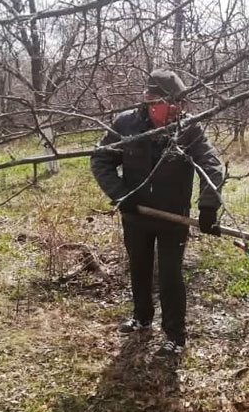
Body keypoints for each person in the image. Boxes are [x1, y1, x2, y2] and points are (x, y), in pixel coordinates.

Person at [90, 69, 224, 357]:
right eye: (172, 103)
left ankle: (175, 336)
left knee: (170, 276)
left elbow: (211, 165)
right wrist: (120, 194)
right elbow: (101, 160)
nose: (178, 109)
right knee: (139, 267)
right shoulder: (126, 124)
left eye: (181, 103)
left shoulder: (188, 128)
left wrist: (208, 206)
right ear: (151, 101)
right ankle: (142, 317)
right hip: (135, 214)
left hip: (173, 217)